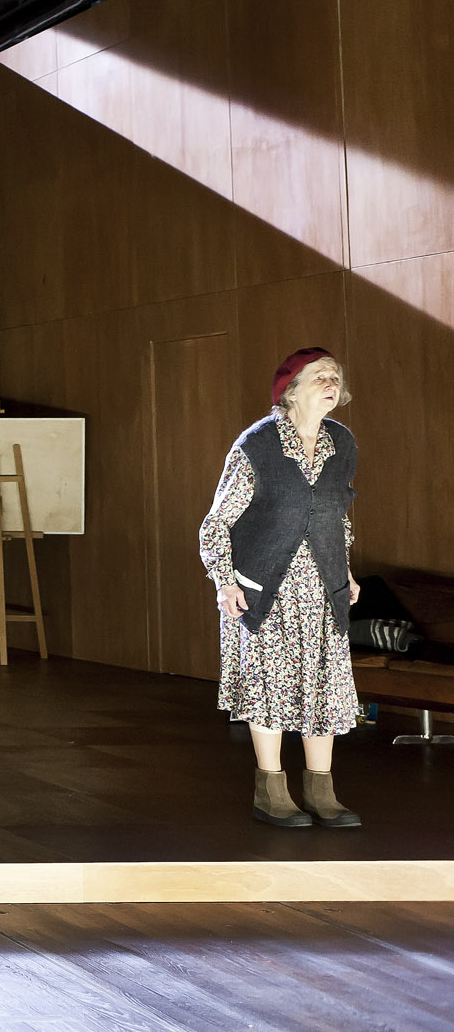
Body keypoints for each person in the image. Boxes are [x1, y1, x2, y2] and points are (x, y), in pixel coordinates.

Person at [202, 348, 364, 828]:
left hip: (324, 586)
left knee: (324, 686)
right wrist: (223, 582)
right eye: (319, 377)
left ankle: (321, 791)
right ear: (290, 390)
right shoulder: (257, 445)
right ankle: (271, 792)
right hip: (265, 588)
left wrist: (346, 570)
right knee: (269, 688)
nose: (331, 383)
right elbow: (216, 524)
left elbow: (337, 515)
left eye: (335, 376)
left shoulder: (342, 442)